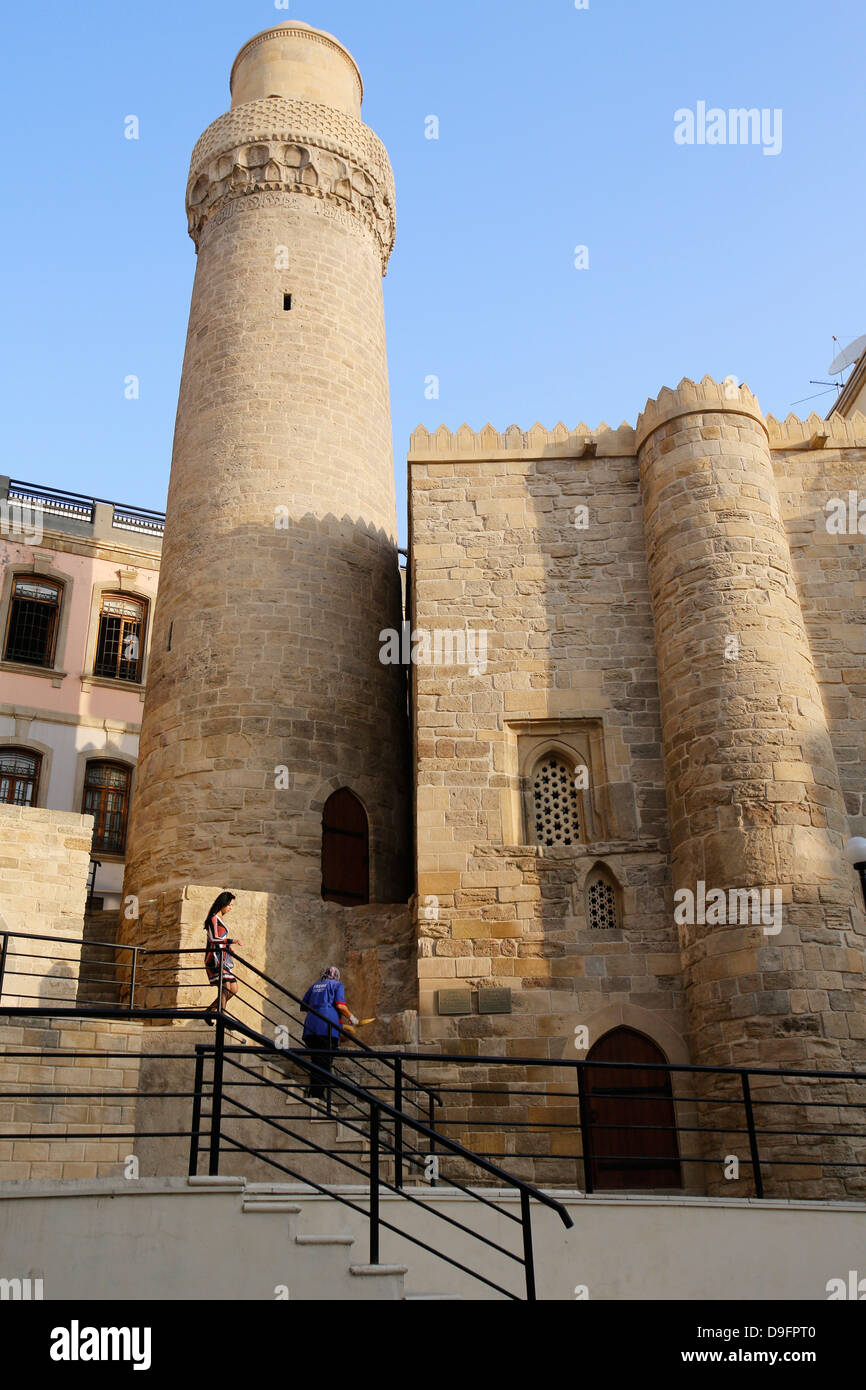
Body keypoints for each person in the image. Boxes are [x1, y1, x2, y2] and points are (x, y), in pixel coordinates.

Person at [300, 966, 358, 1101]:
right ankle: (318, 1096)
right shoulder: (337, 985)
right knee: (325, 1062)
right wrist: (351, 1018)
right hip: (327, 1028)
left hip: (311, 1026)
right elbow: (340, 1005)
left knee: (316, 1060)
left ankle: (315, 1093)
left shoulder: (314, 986)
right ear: (337, 976)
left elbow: (303, 1006)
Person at [203, 891, 242, 1023]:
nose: (231, 908)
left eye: (232, 905)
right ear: (223, 904)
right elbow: (214, 938)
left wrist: (230, 949)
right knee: (226, 986)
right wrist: (232, 941)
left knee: (234, 988)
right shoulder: (213, 918)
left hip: (223, 957)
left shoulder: (220, 919)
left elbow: (221, 939)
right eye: (230, 905)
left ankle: (209, 1012)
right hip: (214, 957)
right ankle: (222, 1018)